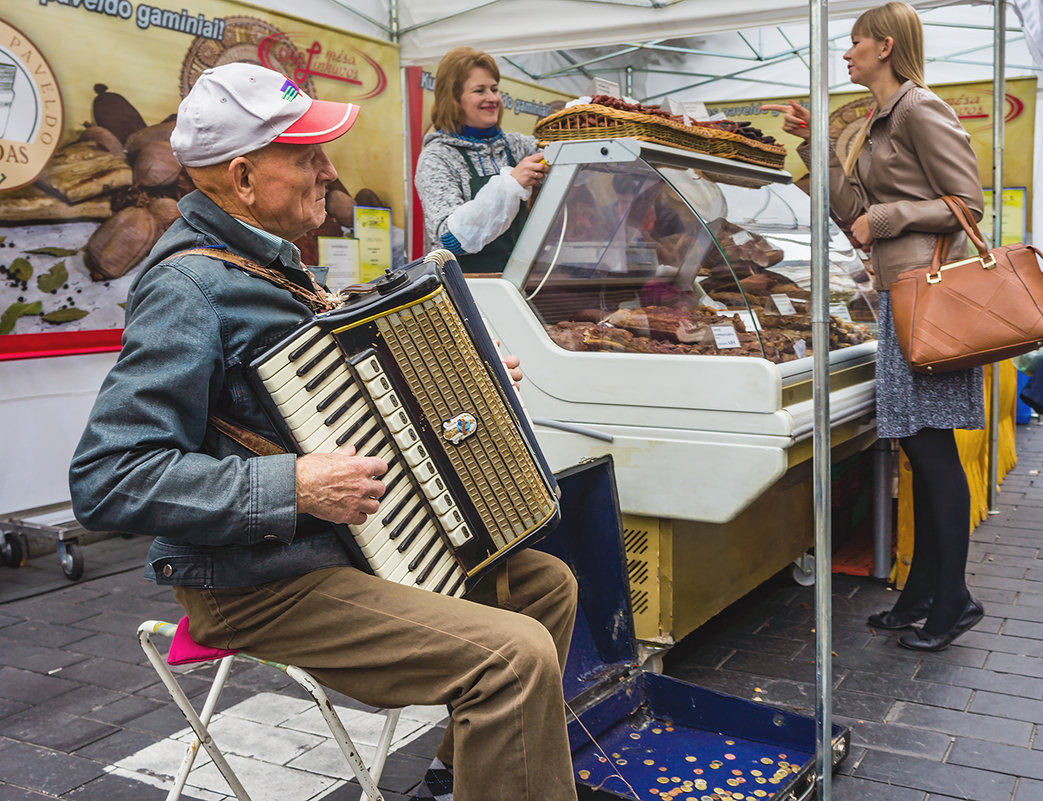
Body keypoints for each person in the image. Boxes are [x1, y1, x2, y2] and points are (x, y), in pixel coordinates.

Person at [68, 63, 579, 801]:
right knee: (513, 654)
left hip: (333, 548)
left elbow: (339, 398)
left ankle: (457, 775)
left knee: (543, 586)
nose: (328, 171)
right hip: (259, 580)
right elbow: (108, 477)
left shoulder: (269, 264)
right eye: (307, 156)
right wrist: (295, 485)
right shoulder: (188, 289)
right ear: (243, 177)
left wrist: (462, 379)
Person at [763, 1, 985, 652]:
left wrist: (884, 221)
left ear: (884, 47)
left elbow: (964, 203)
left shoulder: (918, 108)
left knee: (931, 450)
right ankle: (921, 593)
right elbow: (849, 213)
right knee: (918, 451)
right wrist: (814, 147)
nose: (846, 52)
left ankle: (954, 599)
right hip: (900, 296)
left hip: (929, 301)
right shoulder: (874, 122)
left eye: (855, 41)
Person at [414, 46, 549, 273]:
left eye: (494, 89)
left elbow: (565, 162)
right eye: (480, 90)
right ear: (453, 98)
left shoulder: (516, 145)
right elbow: (450, 240)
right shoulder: (437, 157)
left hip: (517, 283)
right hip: (466, 290)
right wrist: (510, 185)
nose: (492, 98)